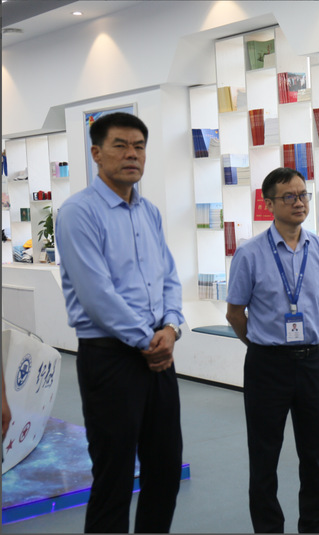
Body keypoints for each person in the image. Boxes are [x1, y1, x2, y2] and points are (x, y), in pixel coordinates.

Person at [55, 112, 184, 533]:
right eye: (120, 145)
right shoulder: (79, 212)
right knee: (113, 476)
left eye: (139, 147)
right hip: (111, 359)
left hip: (159, 355)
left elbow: (168, 277)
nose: (132, 154)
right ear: (96, 153)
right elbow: (97, 295)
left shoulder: (149, 212)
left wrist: (172, 328)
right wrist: (149, 341)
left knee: (165, 469)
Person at [226, 167, 319, 533]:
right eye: (289, 197)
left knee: (315, 454)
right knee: (264, 456)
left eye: (303, 195)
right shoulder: (249, 253)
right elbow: (235, 313)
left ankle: (313, 524)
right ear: (269, 204)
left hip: (313, 363)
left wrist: (308, 337)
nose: (299, 203)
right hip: (267, 366)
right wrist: (260, 345)